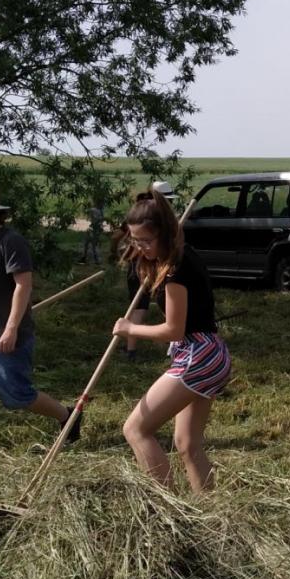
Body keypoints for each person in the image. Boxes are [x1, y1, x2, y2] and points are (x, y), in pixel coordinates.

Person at [0, 181, 80, 449]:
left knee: (18, 396)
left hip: (4, 336)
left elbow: (23, 285)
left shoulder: (10, 241)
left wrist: (10, 329)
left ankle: (69, 416)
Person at [114, 186, 230, 492]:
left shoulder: (177, 270)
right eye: (135, 240)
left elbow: (173, 330)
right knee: (187, 444)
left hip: (198, 355)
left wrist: (130, 329)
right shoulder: (176, 256)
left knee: (136, 429)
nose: (140, 248)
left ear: (165, 233)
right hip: (210, 355)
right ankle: (210, 513)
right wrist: (147, 260)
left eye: (146, 241)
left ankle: (167, 509)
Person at [120, 181, 176, 361]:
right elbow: (132, 244)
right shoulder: (147, 219)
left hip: (155, 266)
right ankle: (131, 350)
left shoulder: (148, 216)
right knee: (139, 307)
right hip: (140, 267)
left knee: (166, 303)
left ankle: (168, 342)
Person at [79, 199, 105, 264]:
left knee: (90, 244)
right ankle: (92, 259)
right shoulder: (100, 211)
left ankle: (93, 259)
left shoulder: (94, 210)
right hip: (96, 229)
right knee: (90, 244)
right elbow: (100, 220)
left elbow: (88, 212)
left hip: (94, 229)